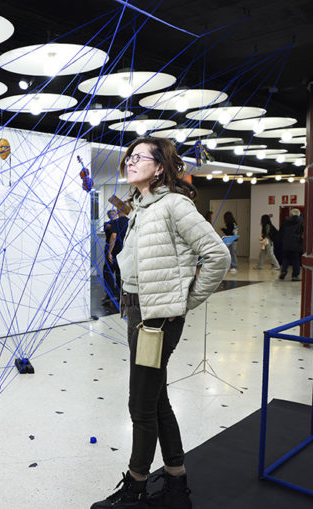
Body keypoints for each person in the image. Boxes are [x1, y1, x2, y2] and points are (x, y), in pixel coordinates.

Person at [91, 137, 230, 509]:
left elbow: (217, 256)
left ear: (159, 168)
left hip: (156, 320)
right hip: (139, 313)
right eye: (129, 157)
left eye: (139, 157)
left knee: (141, 404)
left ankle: (136, 486)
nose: (130, 162)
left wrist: (184, 302)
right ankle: (175, 482)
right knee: (156, 398)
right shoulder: (141, 206)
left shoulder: (174, 205)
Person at [279, 208, 304, 281]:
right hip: (297, 244)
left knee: (285, 259)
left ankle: (283, 271)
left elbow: (281, 233)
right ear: (299, 214)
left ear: (290, 214)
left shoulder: (285, 222)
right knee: (296, 260)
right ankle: (295, 276)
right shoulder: (302, 222)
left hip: (286, 244)